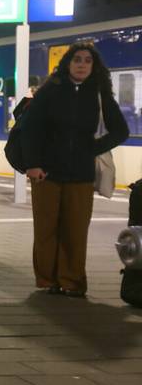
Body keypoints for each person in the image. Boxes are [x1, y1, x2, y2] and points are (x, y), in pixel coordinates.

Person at [20, 42, 129, 297]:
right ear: (68, 63)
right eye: (77, 59)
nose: (82, 64)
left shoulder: (99, 93)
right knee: (46, 229)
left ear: (94, 66)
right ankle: (48, 280)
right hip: (46, 173)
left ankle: (72, 281)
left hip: (81, 174)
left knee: (76, 230)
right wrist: (33, 164)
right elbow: (30, 129)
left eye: (87, 60)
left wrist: (92, 148)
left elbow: (121, 130)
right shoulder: (51, 91)